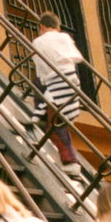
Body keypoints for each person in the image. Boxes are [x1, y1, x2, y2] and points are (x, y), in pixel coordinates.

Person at [31, 12, 83, 176]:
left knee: (56, 123)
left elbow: (41, 70)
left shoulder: (38, 42)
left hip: (55, 82)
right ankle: (41, 114)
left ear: (41, 27)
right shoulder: (65, 38)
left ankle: (71, 162)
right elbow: (75, 58)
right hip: (71, 80)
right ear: (58, 27)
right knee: (60, 119)